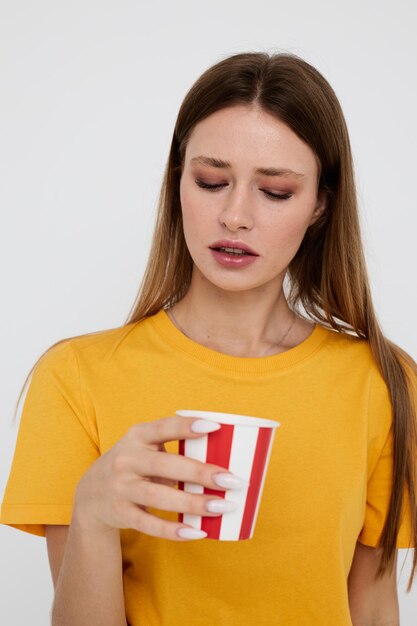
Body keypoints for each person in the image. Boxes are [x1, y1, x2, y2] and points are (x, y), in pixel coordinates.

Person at [0, 50, 416, 626]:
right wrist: (93, 513)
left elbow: (372, 609)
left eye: (275, 192)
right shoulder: (76, 376)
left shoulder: (382, 381)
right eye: (212, 181)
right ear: (178, 185)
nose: (236, 216)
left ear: (321, 203)